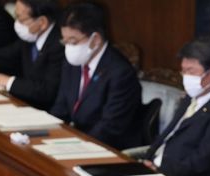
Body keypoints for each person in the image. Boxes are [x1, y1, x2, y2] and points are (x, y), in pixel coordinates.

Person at [143, 37, 210, 176]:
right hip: (153, 171)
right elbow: (168, 134)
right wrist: (146, 160)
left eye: (191, 71)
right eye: (183, 71)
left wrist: (160, 173)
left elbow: (202, 161)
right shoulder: (191, 97)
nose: (185, 77)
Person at [50, 2, 143, 150]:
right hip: (78, 142)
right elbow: (61, 108)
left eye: (73, 41)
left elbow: (109, 128)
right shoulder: (72, 63)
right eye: (64, 41)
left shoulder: (120, 73)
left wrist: (77, 147)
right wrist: (48, 133)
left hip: (109, 149)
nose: (68, 47)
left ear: (96, 39)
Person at [0, 0, 63, 111]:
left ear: (42, 22)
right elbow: (4, 56)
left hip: (46, 112)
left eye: (20, 19)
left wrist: (7, 81)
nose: (17, 23)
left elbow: (47, 91)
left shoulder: (60, 45)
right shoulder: (30, 37)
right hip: (25, 105)